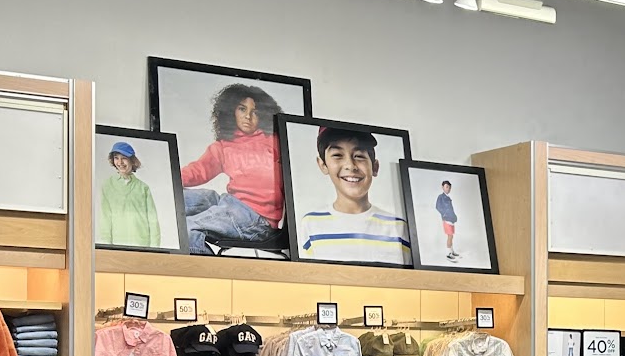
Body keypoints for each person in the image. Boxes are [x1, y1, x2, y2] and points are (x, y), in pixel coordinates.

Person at [179, 84, 285, 253]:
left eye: (255, 112)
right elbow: (198, 170)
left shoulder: (274, 142)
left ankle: (209, 270)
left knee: (186, 229)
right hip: (231, 203)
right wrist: (169, 177)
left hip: (257, 219)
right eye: (242, 109)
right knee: (175, 198)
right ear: (231, 111)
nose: (248, 116)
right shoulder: (224, 146)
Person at [298, 124, 411, 261]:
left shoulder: (399, 227)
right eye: (337, 155)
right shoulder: (311, 224)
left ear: (375, 167)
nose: (350, 166)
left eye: (359, 156)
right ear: (323, 165)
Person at [97, 139, 161, 249]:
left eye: (124, 158)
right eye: (116, 158)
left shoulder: (143, 188)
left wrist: (154, 249)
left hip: (142, 245)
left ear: (132, 160)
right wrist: (106, 247)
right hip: (118, 246)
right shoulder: (107, 186)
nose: (120, 162)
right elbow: (105, 219)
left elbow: (153, 221)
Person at [435, 178, 459, 261]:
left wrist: (454, 216)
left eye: (449, 187)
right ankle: (448, 253)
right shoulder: (440, 197)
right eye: (447, 187)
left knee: (451, 236)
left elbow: (451, 208)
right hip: (446, 219)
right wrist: (444, 214)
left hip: (451, 219)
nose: (448, 189)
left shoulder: (448, 197)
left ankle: (452, 251)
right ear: (442, 187)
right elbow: (438, 207)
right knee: (450, 235)